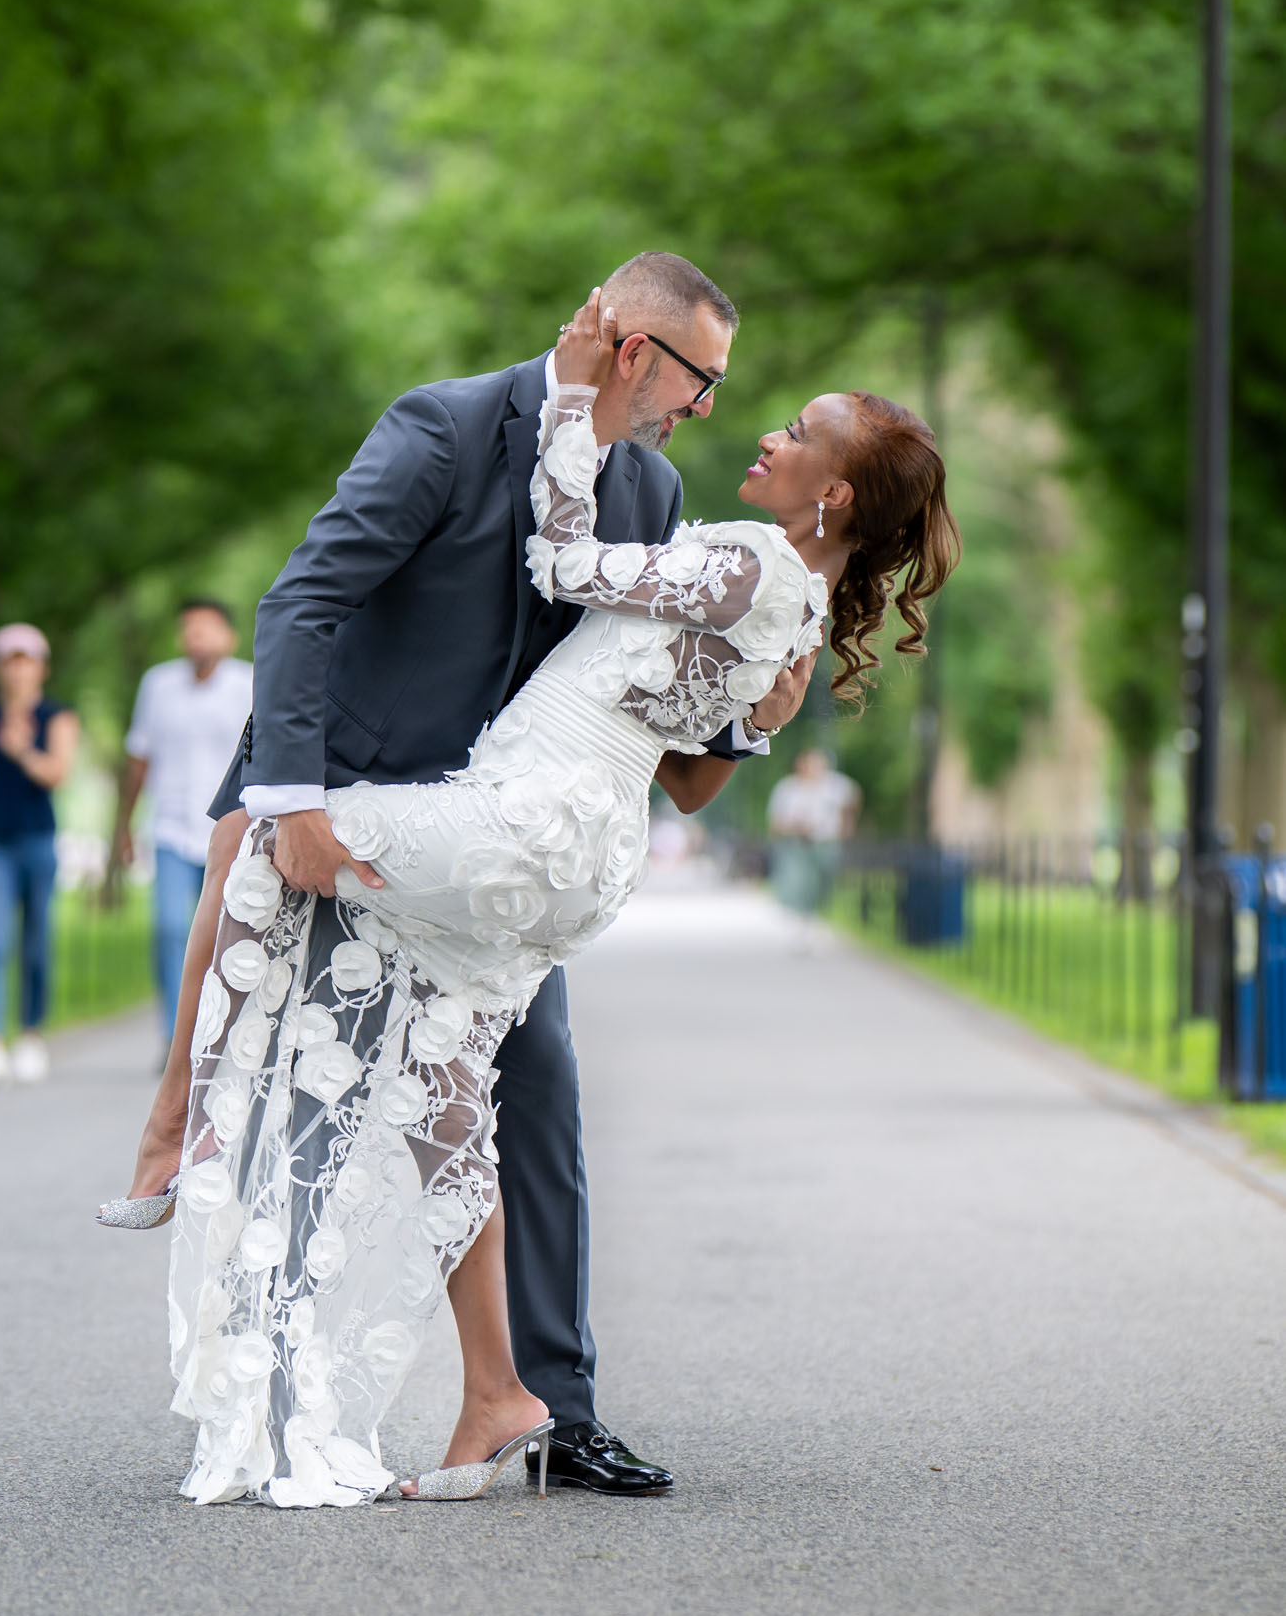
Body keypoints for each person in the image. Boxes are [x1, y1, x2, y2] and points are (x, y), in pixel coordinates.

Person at [107, 269, 957, 1504]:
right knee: (404, 1077)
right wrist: (291, 790)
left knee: (532, 1103)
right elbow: (304, 600)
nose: (713, 411)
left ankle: (552, 1404)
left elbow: (676, 752)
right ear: (629, 352)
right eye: (699, 378)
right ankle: (228, 1197)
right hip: (401, 792)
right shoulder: (442, 427)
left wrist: (751, 722)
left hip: (506, 841)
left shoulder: (661, 496)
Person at [116, 601, 254, 1052]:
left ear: (228, 638)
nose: (198, 639)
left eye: (207, 630)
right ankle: (175, 1036)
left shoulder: (248, 682)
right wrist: (123, 825)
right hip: (173, 828)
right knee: (170, 928)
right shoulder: (158, 685)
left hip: (232, 830)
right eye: (190, 630)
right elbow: (139, 758)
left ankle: (223, 1032)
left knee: (227, 931)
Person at [0, 623, 79, 1088]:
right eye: (9, 661)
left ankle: (31, 1035)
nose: (18, 670)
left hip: (37, 841)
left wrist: (22, 751)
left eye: (25, 660)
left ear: (41, 667)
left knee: (35, 942)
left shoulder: (57, 716)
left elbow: (57, 772)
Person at [767, 744, 863, 917]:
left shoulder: (836, 784)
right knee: (800, 883)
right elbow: (776, 821)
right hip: (799, 844)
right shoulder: (788, 788)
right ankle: (803, 916)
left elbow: (853, 798)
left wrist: (848, 825)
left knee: (826, 880)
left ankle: (822, 912)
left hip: (827, 842)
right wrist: (795, 828)